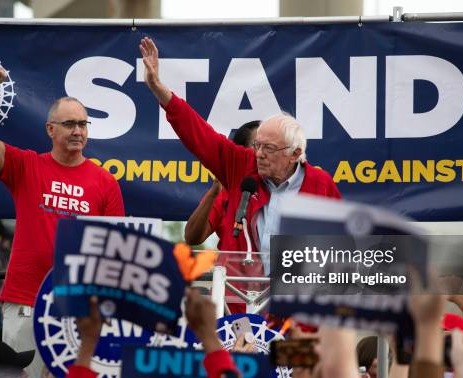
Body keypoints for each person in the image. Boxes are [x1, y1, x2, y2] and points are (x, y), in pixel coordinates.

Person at [0, 65, 125, 378]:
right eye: (69, 124)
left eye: (83, 124)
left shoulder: (106, 182)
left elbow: (114, 249)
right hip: (25, 298)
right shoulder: (26, 166)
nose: (78, 131)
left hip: (77, 307)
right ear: (50, 130)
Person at [140, 37, 341, 275]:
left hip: (294, 301)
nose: (259, 154)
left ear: (295, 154)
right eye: (257, 145)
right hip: (239, 300)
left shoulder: (320, 185)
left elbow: (338, 251)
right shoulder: (242, 165)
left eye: (269, 148)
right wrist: (159, 89)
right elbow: (199, 134)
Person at [184, 121, 259, 246]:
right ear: (239, 151)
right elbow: (192, 238)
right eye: (258, 145)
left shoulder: (285, 187)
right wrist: (214, 192)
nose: (264, 153)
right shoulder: (224, 193)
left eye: (270, 146)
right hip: (232, 264)